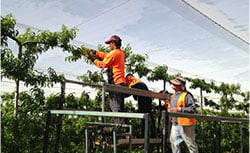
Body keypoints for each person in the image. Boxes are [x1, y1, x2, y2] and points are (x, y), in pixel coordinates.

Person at [86, 35, 127, 124]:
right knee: (121, 107)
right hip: (122, 83)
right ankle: (125, 130)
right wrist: (96, 52)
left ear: (113, 43)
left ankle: (119, 128)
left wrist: (92, 59)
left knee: (114, 106)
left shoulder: (114, 53)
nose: (109, 46)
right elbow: (106, 55)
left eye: (109, 44)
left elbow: (103, 64)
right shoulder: (120, 53)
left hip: (116, 84)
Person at [169, 77, 198, 153]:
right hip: (175, 124)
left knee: (190, 144)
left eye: (175, 84)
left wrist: (179, 109)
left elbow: (192, 109)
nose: (173, 85)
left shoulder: (187, 95)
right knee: (174, 144)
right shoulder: (173, 96)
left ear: (181, 86)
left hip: (186, 124)